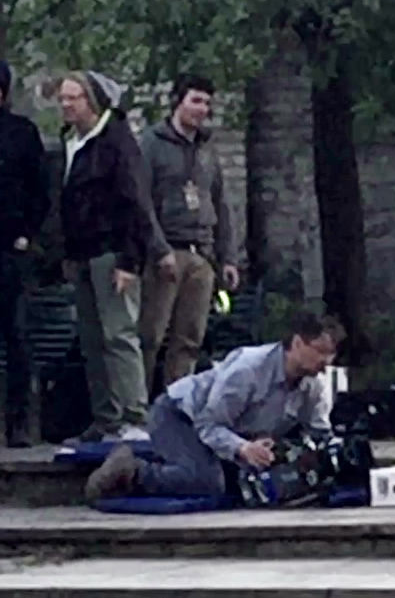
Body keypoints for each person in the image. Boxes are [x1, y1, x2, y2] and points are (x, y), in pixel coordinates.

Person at [84, 311, 344, 501]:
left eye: (331, 355)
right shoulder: (249, 369)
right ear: (297, 343)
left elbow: (319, 431)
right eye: (321, 351)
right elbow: (208, 423)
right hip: (181, 415)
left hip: (237, 430)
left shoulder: (314, 385)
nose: (326, 361)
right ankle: (132, 469)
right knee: (207, 482)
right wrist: (242, 448)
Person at [57, 71, 154, 445]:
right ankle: (105, 416)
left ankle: (134, 415)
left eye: (74, 98)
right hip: (83, 252)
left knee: (119, 335)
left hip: (111, 251)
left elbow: (134, 203)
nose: (66, 105)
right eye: (63, 99)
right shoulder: (72, 143)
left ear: (92, 100)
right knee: (91, 339)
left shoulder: (115, 142)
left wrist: (130, 260)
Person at [137, 73, 239, 398]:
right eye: (195, 100)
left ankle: (178, 405)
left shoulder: (208, 149)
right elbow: (142, 201)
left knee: (189, 338)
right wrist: (158, 248)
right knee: (150, 336)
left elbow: (220, 203)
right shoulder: (152, 144)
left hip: (203, 254)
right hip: (166, 251)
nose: (202, 109)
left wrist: (228, 257)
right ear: (178, 102)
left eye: (207, 103)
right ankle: (136, 407)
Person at [0, 59, 48, 448]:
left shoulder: (22, 134)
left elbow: (39, 191)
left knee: (16, 337)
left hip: (11, 249)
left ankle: (19, 426)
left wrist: (26, 236)